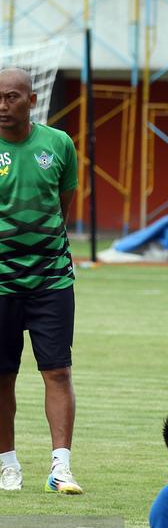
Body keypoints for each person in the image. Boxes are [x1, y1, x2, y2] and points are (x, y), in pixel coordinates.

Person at [0, 67, 81, 494]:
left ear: (31, 101)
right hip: (0, 286)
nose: (2, 106)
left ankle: (61, 467)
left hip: (51, 280)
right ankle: (7, 465)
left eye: (12, 97)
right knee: (1, 376)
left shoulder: (59, 144)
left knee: (57, 371)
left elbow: (63, 204)